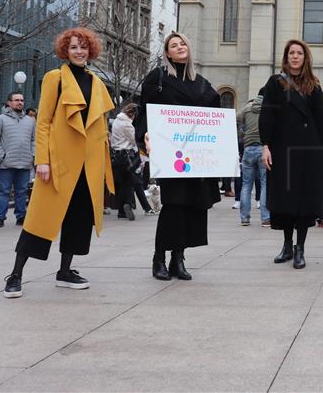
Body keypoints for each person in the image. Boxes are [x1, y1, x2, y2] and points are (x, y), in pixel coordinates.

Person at [3, 28, 115, 298]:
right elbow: (43, 122)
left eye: (84, 47)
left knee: (78, 220)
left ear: (91, 50)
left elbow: (99, 127)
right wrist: (42, 160)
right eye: (74, 47)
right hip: (58, 163)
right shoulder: (55, 78)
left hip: (88, 165)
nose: (79, 51)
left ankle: (65, 271)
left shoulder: (96, 82)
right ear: (65, 50)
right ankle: (15, 274)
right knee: (40, 219)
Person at [136, 32, 222, 281]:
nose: (179, 46)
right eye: (174, 45)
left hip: (198, 156)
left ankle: (179, 258)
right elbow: (145, 111)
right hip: (172, 155)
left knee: (193, 207)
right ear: (168, 53)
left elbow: (215, 116)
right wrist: (146, 135)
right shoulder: (159, 78)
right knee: (173, 207)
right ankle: (159, 258)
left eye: (182, 42)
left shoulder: (202, 83)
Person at [260, 39, 323, 270]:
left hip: (308, 150)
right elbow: (267, 116)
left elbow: (322, 118)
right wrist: (265, 146)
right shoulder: (275, 83)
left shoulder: (314, 84)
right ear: (286, 57)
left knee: (304, 201)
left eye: (299, 53)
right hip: (282, 149)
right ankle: (286, 245)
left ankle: (300, 248)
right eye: (291, 53)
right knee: (284, 200)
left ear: (305, 57)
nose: (295, 56)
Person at [0, 92, 35, 228]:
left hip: (25, 163)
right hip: (6, 163)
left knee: (22, 192)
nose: (20, 102)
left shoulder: (29, 121)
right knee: (4, 191)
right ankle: (0, 218)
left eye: (21, 100)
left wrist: (32, 156)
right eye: (16, 100)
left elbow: (34, 140)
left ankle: (21, 217)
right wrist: (2, 156)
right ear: (9, 103)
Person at [110, 103, 152, 220]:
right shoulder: (127, 125)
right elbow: (135, 140)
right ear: (132, 114)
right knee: (137, 182)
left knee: (125, 183)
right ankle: (144, 207)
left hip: (118, 157)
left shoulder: (116, 121)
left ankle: (121, 211)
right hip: (128, 157)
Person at [237, 89, 270, 227]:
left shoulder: (247, 108)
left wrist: (243, 133)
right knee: (264, 184)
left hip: (248, 148)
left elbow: (236, 120)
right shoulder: (268, 109)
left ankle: (245, 218)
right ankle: (265, 218)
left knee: (246, 185)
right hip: (264, 149)